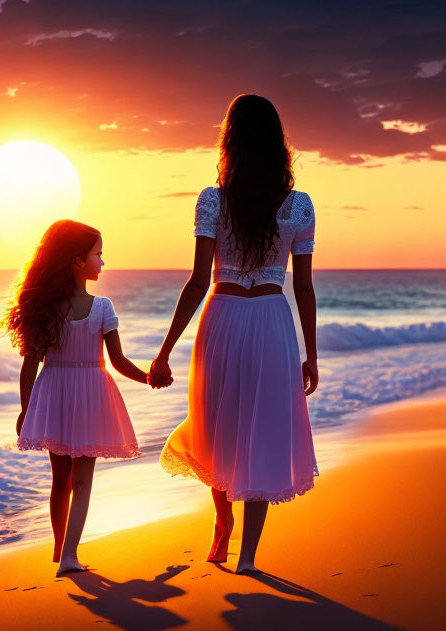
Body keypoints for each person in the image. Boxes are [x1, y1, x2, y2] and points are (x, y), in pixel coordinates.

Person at [149, 94, 319, 576]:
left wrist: (164, 352)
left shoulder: (212, 200)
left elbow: (198, 282)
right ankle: (247, 556)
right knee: (260, 432)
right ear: (278, 144)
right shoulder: (299, 206)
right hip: (271, 321)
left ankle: (223, 519)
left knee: (217, 425)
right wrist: (311, 354)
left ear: (231, 140)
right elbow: (303, 287)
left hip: (221, 319)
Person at [0, 219, 156, 576]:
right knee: (76, 479)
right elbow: (114, 362)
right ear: (76, 261)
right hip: (82, 394)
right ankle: (67, 554)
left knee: (64, 479)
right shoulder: (95, 307)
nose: (103, 262)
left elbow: (31, 367)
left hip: (58, 392)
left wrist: (28, 408)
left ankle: (62, 550)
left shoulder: (65, 308)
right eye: (98, 254)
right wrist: (26, 410)